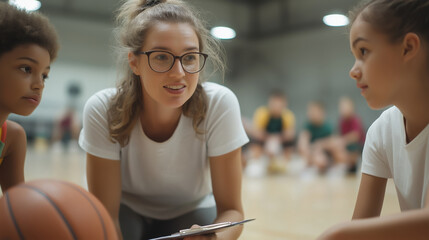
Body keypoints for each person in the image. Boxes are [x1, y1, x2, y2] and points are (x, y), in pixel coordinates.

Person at [78, 0, 248, 239]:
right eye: (161, 57)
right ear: (134, 62)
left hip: (191, 210)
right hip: (124, 211)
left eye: (189, 58)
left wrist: (212, 238)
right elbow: (106, 215)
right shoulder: (103, 109)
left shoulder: (219, 104)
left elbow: (232, 211)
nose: (178, 72)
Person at [318, 0, 429, 239]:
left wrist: (337, 234)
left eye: (363, 52)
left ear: (408, 47)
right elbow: (362, 227)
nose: (353, 70)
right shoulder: (382, 131)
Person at [0, 3, 59, 193]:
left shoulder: (12, 137)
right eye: (27, 69)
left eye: (44, 75)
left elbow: (17, 209)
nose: (39, 84)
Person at [245, 91, 296, 174]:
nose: (276, 106)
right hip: (264, 145)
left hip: (279, 145)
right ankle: (258, 160)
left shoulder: (287, 115)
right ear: (270, 102)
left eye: (279, 103)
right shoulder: (262, 113)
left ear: (284, 104)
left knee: (289, 143)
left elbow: (290, 134)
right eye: (274, 103)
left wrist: (276, 139)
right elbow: (256, 132)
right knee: (256, 142)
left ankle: (284, 163)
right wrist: (270, 139)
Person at [298, 101, 347, 173]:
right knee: (319, 160)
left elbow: (335, 142)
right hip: (314, 153)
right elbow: (302, 145)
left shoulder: (328, 126)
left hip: (327, 153)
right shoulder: (307, 126)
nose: (311, 114)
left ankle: (336, 168)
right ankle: (312, 168)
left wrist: (321, 144)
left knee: (340, 152)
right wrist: (312, 152)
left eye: (314, 111)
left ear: (321, 112)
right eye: (310, 111)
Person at [338, 96, 365, 173]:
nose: (343, 109)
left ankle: (355, 165)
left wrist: (342, 141)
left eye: (346, 107)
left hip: (359, 146)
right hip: (348, 146)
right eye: (342, 107)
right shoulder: (342, 121)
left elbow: (356, 136)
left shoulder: (355, 119)